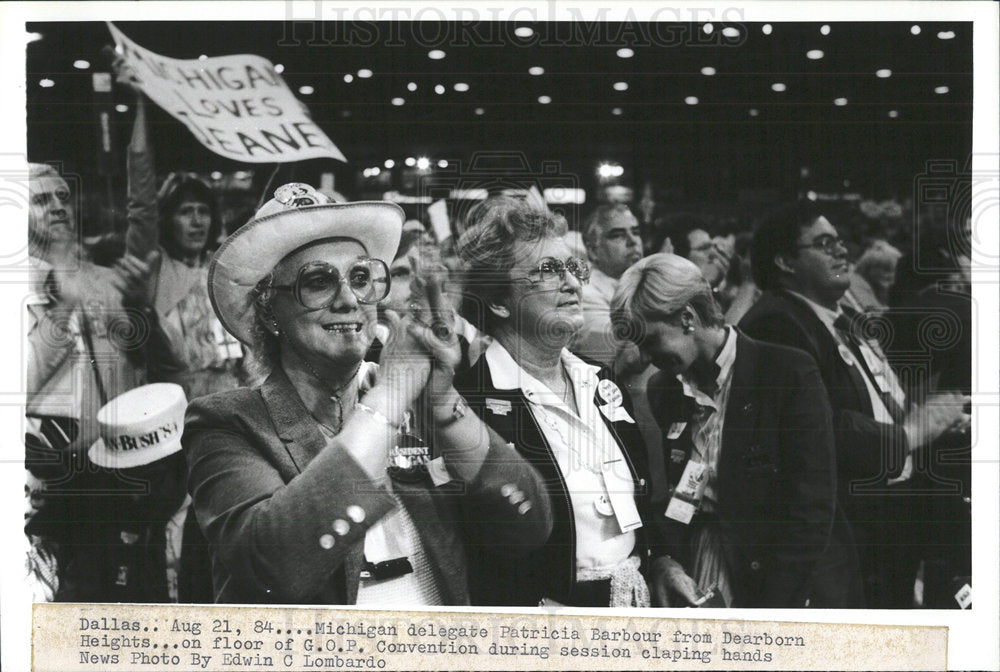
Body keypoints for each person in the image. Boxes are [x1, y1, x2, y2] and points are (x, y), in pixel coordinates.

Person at [183, 184, 552, 604]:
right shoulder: (226, 422)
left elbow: (529, 527)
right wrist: (389, 399)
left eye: (361, 278)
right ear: (269, 310)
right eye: (318, 281)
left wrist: (442, 406)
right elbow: (274, 563)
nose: (349, 300)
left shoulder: (417, 403)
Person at [738, 201, 968, 607]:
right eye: (824, 244)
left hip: (889, 514)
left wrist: (935, 421)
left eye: (840, 242)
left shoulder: (836, 315)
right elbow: (818, 428)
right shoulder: (775, 323)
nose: (841, 251)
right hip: (849, 527)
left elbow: (875, 397)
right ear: (785, 261)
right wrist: (911, 433)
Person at [451, 196, 669, 608]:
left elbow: (640, 497)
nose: (572, 283)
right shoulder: (472, 403)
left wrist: (661, 561)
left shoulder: (598, 377)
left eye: (573, 268)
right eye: (548, 271)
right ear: (498, 301)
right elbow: (480, 548)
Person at [612, 253, 860, 608]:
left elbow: (812, 509)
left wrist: (773, 609)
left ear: (687, 317)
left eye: (651, 340)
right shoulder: (665, 391)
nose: (646, 357)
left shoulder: (787, 373)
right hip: (704, 564)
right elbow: (673, 496)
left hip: (787, 576)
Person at [115, 56, 243, 400]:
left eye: (203, 211)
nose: (198, 220)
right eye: (186, 211)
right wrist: (138, 104)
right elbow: (141, 204)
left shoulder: (224, 264)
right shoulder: (156, 266)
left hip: (237, 400)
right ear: (168, 220)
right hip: (180, 407)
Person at [571, 203, 643, 367]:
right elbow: (630, 356)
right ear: (593, 250)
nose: (633, 241)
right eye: (617, 235)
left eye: (636, 232)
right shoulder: (585, 294)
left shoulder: (636, 283)